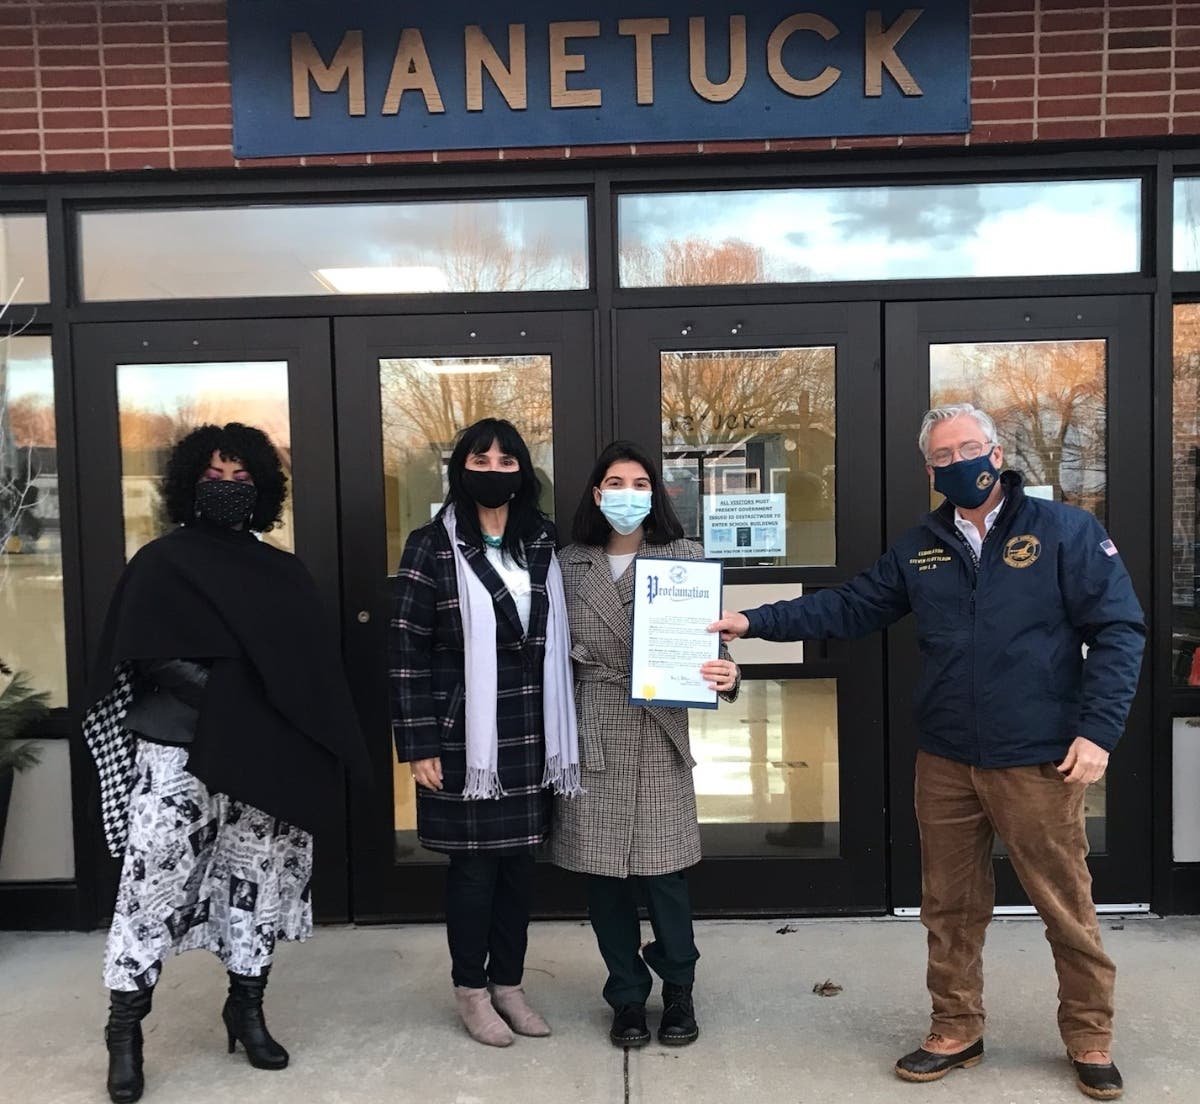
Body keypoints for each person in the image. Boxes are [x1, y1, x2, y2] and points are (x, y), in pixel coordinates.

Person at [710, 403, 1144, 1102]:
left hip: (1037, 757)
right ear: (930, 469)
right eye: (943, 456)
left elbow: (1119, 631)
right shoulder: (923, 546)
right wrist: (754, 620)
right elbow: (851, 605)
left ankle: (1089, 1034)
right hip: (946, 758)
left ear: (996, 453)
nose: (957, 463)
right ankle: (956, 1027)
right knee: (949, 906)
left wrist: (1098, 733)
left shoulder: (1065, 531)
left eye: (968, 449)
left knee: (1065, 905)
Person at [83, 423, 370, 1104]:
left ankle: (246, 1010)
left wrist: (263, 705)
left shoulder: (282, 572)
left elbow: (307, 672)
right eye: (215, 476)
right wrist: (236, 697)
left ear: (263, 490)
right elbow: (151, 654)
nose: (229, 489)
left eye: (243, 479)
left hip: (264, 754)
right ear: (189, 484)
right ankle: (125, 1031)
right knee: (152, 885)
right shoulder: (160, 564)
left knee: (255, 880)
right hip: (178, 750)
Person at [389, 417, 581, 1048]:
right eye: (481, 460)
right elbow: (407, 649)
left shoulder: (542, 539)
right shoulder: (431, 544)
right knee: (474, 872)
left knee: (520, 866)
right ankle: (471, 990)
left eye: (506, 461)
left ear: (523, 471)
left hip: (531, 726)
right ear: (461, 469)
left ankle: (510, 985)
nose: (494, 471)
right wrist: (418, 743)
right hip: (465, 733)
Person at [551, 441, 740, 1048]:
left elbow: (709, 642)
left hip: (659, 730)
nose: (627, 494)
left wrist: (726, 673)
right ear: (596, 493)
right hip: (593, 726)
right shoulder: (568, 564)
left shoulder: (684, 558)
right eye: (615, 482)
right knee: (603, 875)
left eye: (639, 483)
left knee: (665, 874)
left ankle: (679, 986)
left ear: (655, 493)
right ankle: (627, 995)